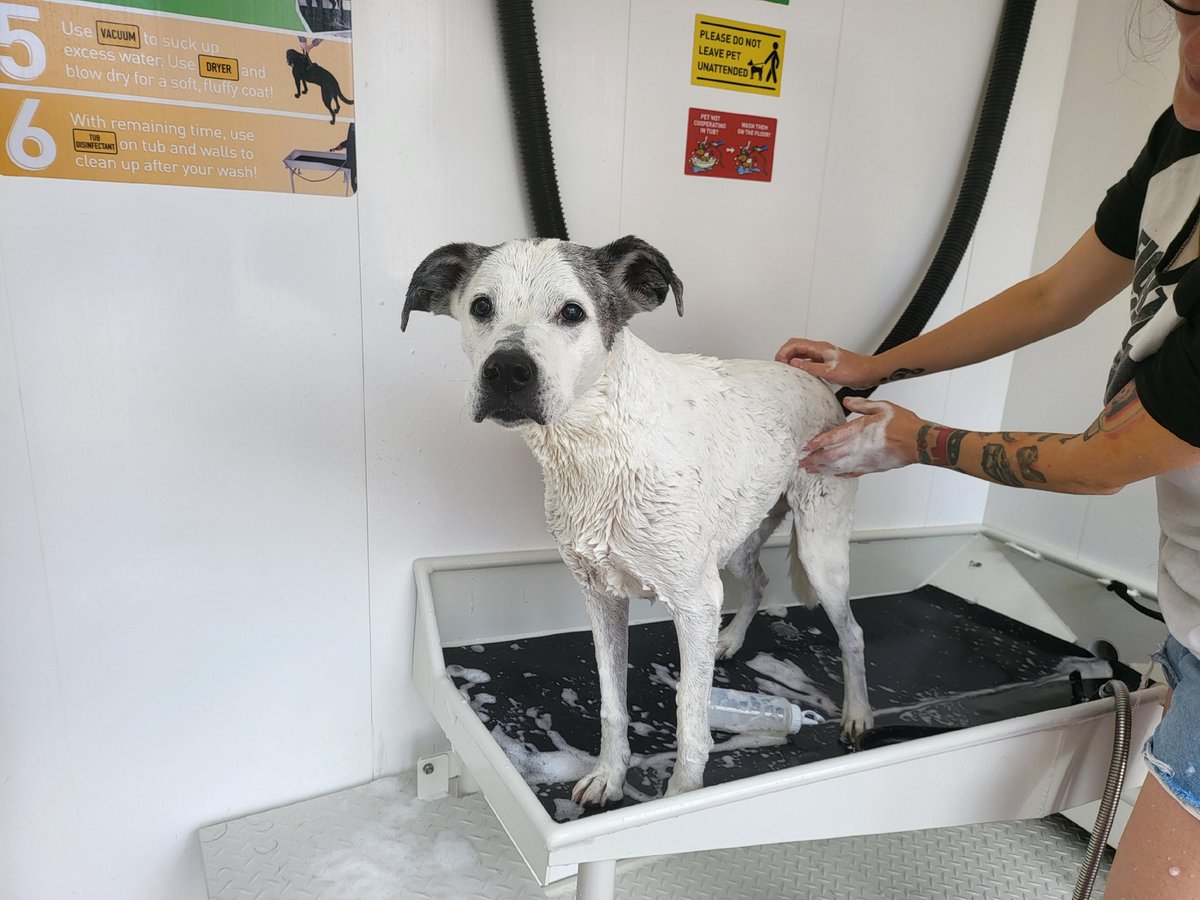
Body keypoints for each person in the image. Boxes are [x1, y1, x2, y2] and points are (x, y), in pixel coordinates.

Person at [776, 2, 1200, 895]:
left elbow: (1107, 460)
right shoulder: (1183, 137)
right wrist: (878, 364)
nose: (1195, 56)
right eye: (1190, 13)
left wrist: (915, 441)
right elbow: (1054, 294)